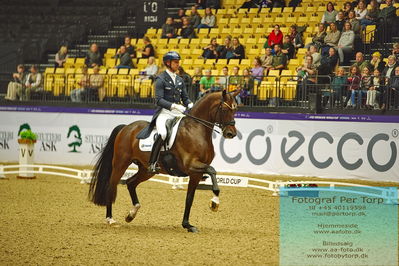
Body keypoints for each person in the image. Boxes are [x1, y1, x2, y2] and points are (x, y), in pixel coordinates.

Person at [137, 51, 193, 173]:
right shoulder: (160, 79)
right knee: (162, 133)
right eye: (175, 62)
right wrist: (173, 106)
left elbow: (185, 97)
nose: (178, 64)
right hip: (164, 113)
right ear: (168, 63)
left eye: (178, 62)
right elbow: (159, 100)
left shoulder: (179, 79)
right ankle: (152, 163)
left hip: (178, 113)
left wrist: (189, 103)